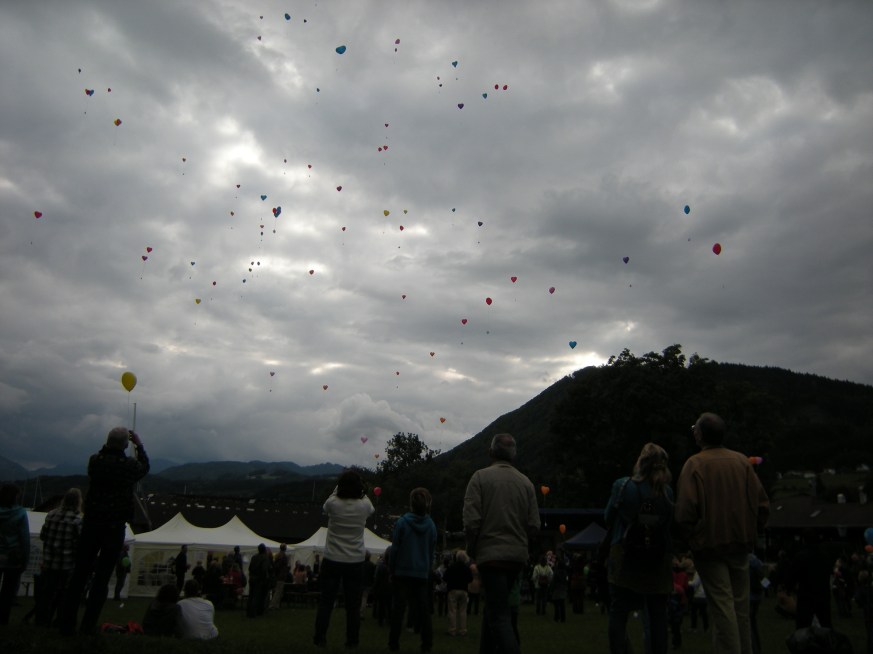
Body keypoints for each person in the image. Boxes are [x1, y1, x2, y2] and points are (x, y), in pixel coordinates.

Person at [675, 413, 769, 654]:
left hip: (710, 547)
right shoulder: (742, 463)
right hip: (741, 545)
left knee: (722, 606)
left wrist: (692, 538)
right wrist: (752, 531)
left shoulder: (694, 465)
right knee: (740, 607)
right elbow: (762, 505)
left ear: (699, 434)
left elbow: (685, 512)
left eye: (695, 428)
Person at [56, 427, 149, 635]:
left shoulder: (95, 461)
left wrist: (115, 444)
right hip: (114, 526)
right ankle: (88, 626)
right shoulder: (128, 466)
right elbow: (144, 467)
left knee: (80, 574)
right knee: (102, 577)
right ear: (125, 445)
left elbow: (106, 454)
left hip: (91, 523)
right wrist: (139, 445)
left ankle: (66, 623)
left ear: (107, 442)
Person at [463, 433, 540, 654]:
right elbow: (534, 525)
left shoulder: (479, 478)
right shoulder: (526, 483)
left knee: (499, 617)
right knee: (494, 610)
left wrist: (472, 548)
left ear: (491, 452)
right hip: (516, 559)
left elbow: (471, 522)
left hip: (490, 556)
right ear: (514, 454)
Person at [604, 442, 674, 654]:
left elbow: (608, 519)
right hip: (658, 560)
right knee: (658, 616)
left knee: (618, 613)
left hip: (625, 556)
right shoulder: (668, 494)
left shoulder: (623, 487)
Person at [313, 470, 375, 649]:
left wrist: (337, 488)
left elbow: (325, 506)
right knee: (353, 605)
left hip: (332, 559)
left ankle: (320, 638)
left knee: (326, 601)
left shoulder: (333, 503)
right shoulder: (363, 505)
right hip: (355, 561)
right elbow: (371, 506)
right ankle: (352, 640)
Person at [388, 487, 437, 652]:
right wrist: (428, 568)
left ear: (411, 504)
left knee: (398, 609)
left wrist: (391, 569)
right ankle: (427, 644)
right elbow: (431, 551)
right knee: (424, 610)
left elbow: (395, 549)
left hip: (402, 572)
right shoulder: (431, 526)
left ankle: (393, 643)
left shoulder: (402, 523)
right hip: (421, 573)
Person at [36, 487, 82, 627]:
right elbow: (79, 545)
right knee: (64, 596)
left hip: (49, 563)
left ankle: (41, 621)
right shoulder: (77, 520)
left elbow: (43, 536)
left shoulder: (51, 515)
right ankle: (59, 622)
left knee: (46, 594)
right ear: (78, 502)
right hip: (66, 565)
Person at [0, 484, 30, 626]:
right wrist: (25, 559)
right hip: (12, 556)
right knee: (8, 592)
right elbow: (24, 538)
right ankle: (3, 620)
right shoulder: (20, 513)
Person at [445, 550, 473, 636]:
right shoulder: (466, 568)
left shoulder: (451, 567)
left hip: (453, 590)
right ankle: (463, 630)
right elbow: (470, 579)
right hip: (464, 590)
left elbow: (445, 577)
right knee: (463, 611)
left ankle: (452, 630)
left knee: (452, 611)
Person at [247, 543, 272, 617]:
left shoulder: (254, 557)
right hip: (260, 579)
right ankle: (257, 612)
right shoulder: (265, 558)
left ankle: (249, 611)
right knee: (259, 596)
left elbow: (250, 568)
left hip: (252, 578)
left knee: (251, 595)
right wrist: (265, 578)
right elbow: (264, 569)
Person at [269, 543, 289, 610]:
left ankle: (276, 605)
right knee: (278, 591)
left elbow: (275, 565)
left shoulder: (277, 555)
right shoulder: (283, 556)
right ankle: (273, 605)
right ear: (285, 548)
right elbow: (281, 566)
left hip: (277, 575)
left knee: (278, 591)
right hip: (281, 575)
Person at [359, 550, 376, 618]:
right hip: (368, 584)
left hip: (360, 584)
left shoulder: (360, 564)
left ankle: (358, 612)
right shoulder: (372, 565)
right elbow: (373, 575)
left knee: (359, 599)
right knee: (364, 599)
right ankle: (361, 613)